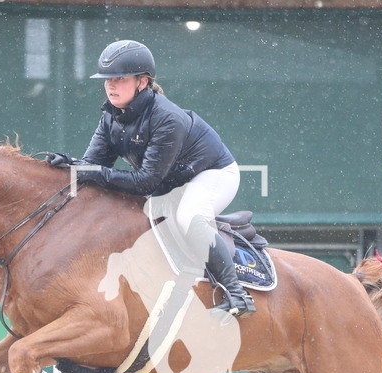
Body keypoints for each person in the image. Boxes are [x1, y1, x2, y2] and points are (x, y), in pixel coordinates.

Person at [47, 39, 255, 318]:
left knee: (189, 217)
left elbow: (146, 183)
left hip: (212, 174)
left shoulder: (167, 117)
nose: (110, 85)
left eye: (119, 79)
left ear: (142, 82)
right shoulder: (111, 116)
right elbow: (94, 166)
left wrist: (89, 172)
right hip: (170, 183)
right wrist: (70, 166)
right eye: (107, 79)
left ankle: (238, 296)